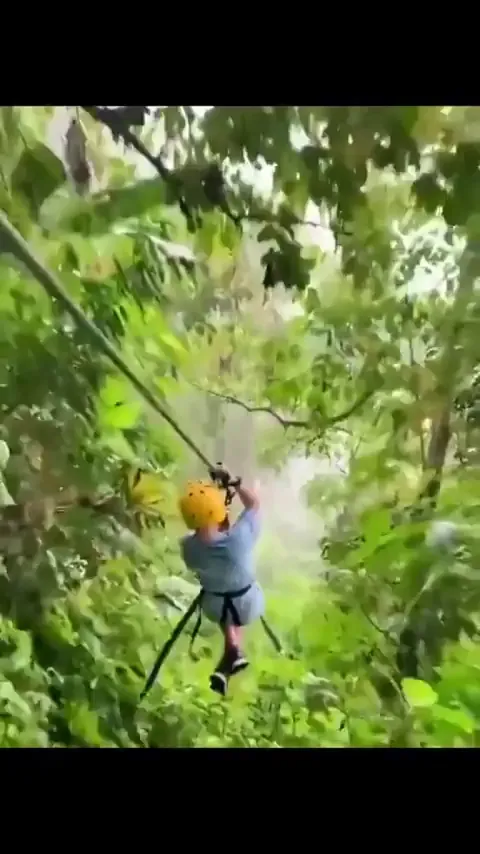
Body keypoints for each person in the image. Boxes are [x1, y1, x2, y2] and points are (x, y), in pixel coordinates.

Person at [179, 468, 264, 696]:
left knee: (224, 596)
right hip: (247, 603)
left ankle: (230, 656)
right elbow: (254, 505)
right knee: (237, 600)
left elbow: (205, 538)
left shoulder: (189, 549)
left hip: (215, 607)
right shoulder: (238, 541)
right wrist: (236, 485)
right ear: (217, 509)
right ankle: (233, 651)